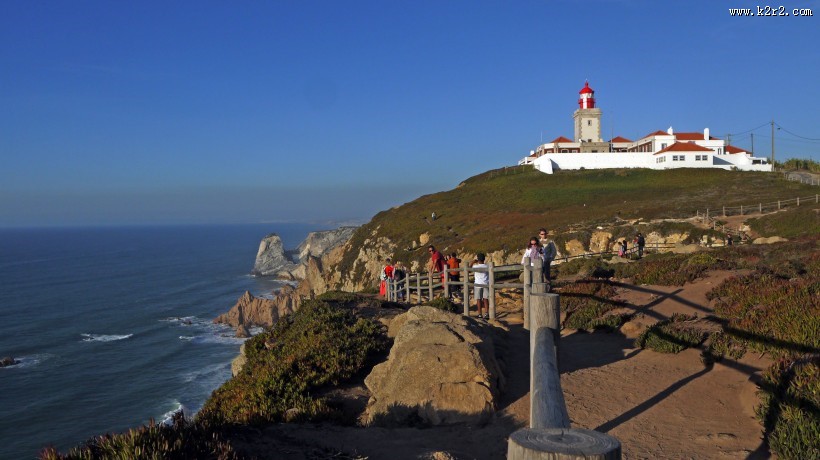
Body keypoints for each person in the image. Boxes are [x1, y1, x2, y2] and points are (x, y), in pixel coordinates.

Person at [472, 253, 489, 319]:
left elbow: (468, 268)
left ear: (478, 259)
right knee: (485, 299)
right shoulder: (487, 266)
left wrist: (473, 261)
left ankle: (479, 314)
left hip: (477, 285)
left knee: (478, 299)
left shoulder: (475, 266)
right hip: (485, 284)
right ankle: (486, 313)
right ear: (484, 259)